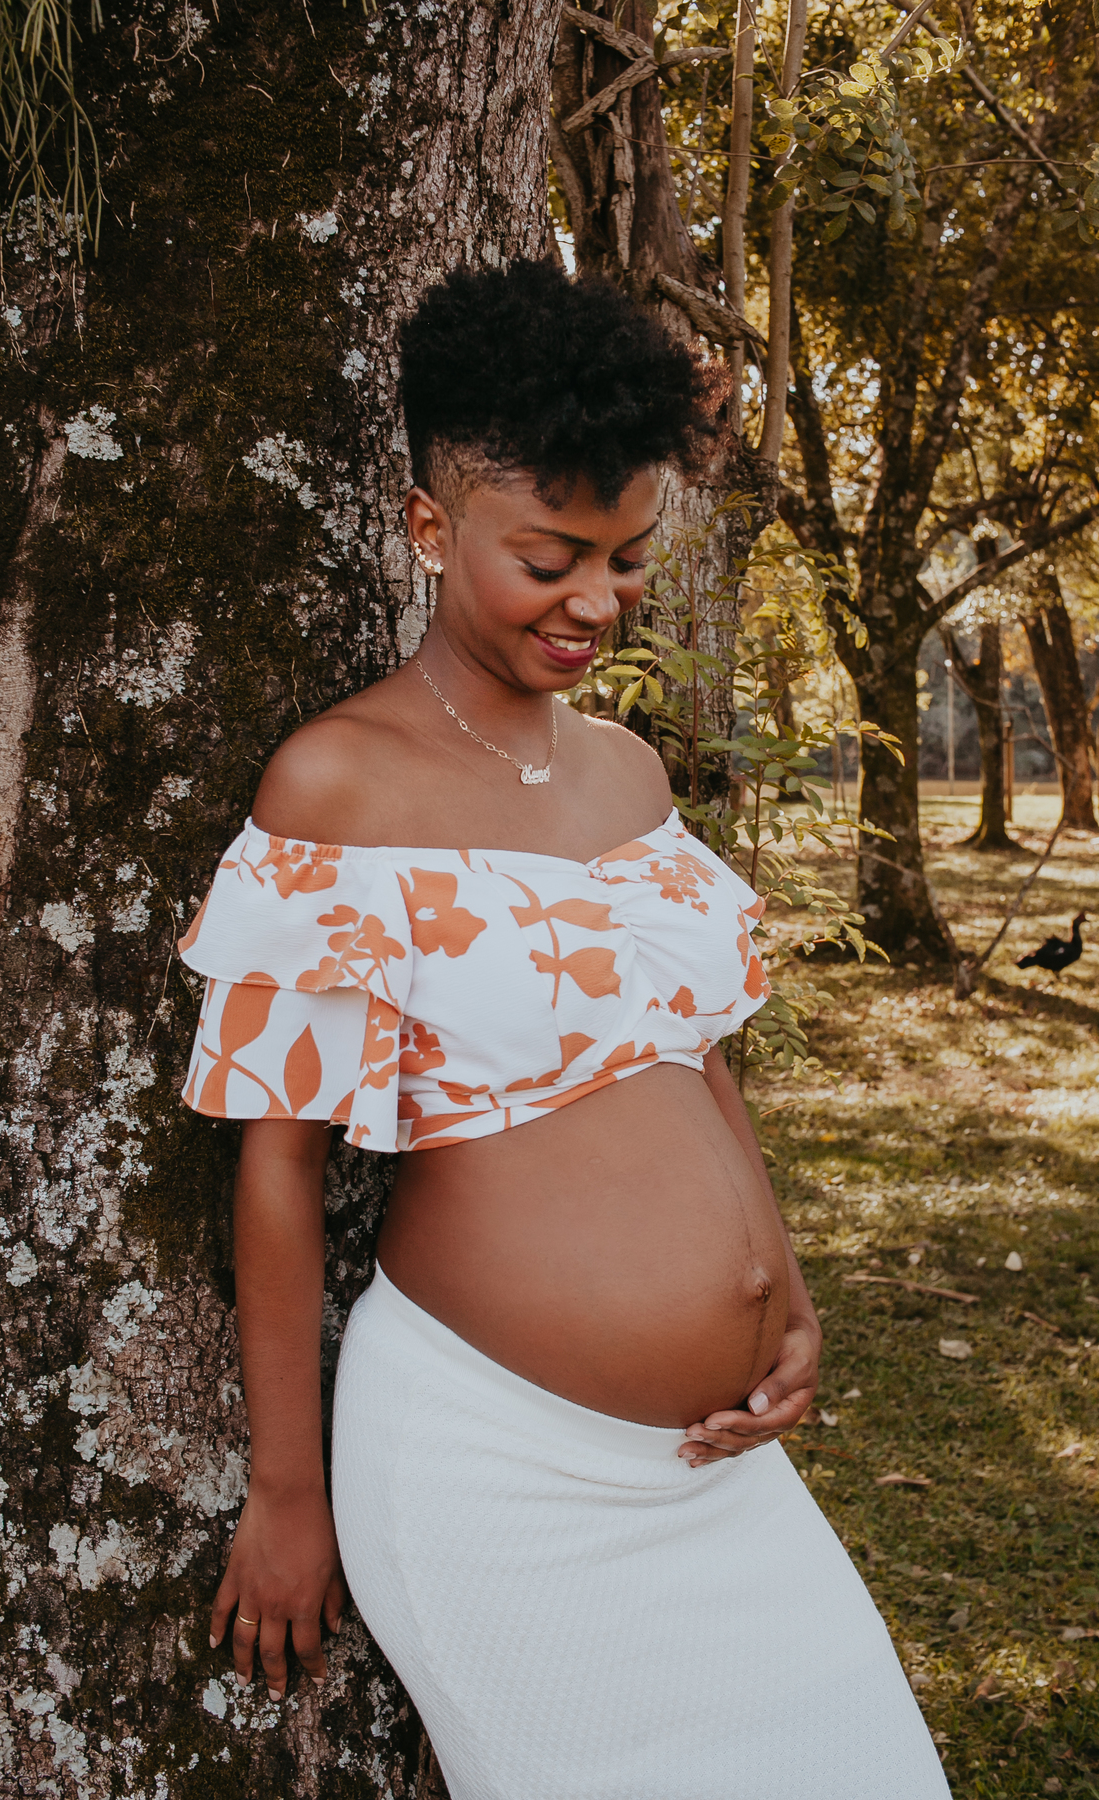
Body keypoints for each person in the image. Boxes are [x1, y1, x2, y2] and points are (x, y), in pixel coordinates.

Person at [180, 260, 949, 1799]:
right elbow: (279, 1165)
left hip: (719, 1471)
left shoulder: (627, 775)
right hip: (498, 1472)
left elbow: (694, 1061)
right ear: (428, 527)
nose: (596, 602)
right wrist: (287, 1490)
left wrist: (784, 1295)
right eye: (550, 560)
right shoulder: (339, 788)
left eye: (628, 558)